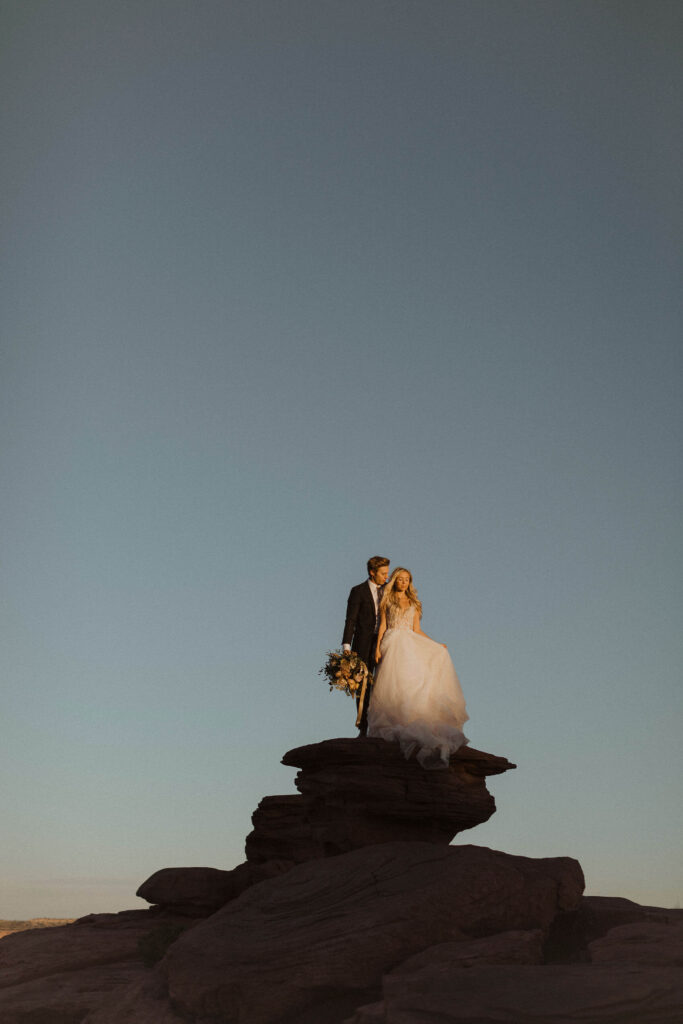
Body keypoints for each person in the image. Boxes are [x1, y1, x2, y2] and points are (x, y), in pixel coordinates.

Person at [368, 567, 469, 769]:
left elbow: (417, 630)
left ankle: (412, 718)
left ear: (410, 582)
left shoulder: (414, 603)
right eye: (400, 579)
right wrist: (378, 648)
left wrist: (436, 644)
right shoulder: (387, 601)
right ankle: (396, 718)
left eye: (407, 580)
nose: (403, 582)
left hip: (409, 641)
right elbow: (383, 626)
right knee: (394, 683)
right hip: (393, 641)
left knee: (413, 680)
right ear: (395, 581)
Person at [342, 555, 390, 735]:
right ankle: (363, 728)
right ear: (372, 572)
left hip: (386, 642)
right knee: (364, 686)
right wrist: (347, 646)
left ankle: (384, 727)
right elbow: (351, 619)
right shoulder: (358, 591)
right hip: (362, 643)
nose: (386, 577)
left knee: (386, 683)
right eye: (383, 573)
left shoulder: (389, 590)